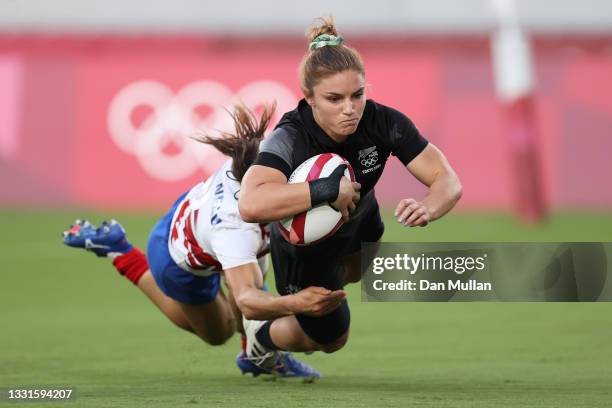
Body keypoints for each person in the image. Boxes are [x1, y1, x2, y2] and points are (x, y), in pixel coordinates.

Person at [238, 16, 463, 361]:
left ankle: (304, 301)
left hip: (362, 221)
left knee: (358, 274)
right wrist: (328, 188)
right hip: (306, 248)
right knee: (331, 340)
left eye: (357, 95)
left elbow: (447, 180)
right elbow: (251, 204)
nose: (350, 108)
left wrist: (429, 206)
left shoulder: (383, 122)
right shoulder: (290, 138)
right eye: (334, 98)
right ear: (309, 98)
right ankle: (261, 337)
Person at [62, 104, 337, 380]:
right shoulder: (235, 229)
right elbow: (247, 300)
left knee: (251, 273)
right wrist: (297, 303)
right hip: (177, 259)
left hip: (196, 218)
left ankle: (254, 357)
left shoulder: (261, 162)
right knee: (221, 331)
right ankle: (119, 249)